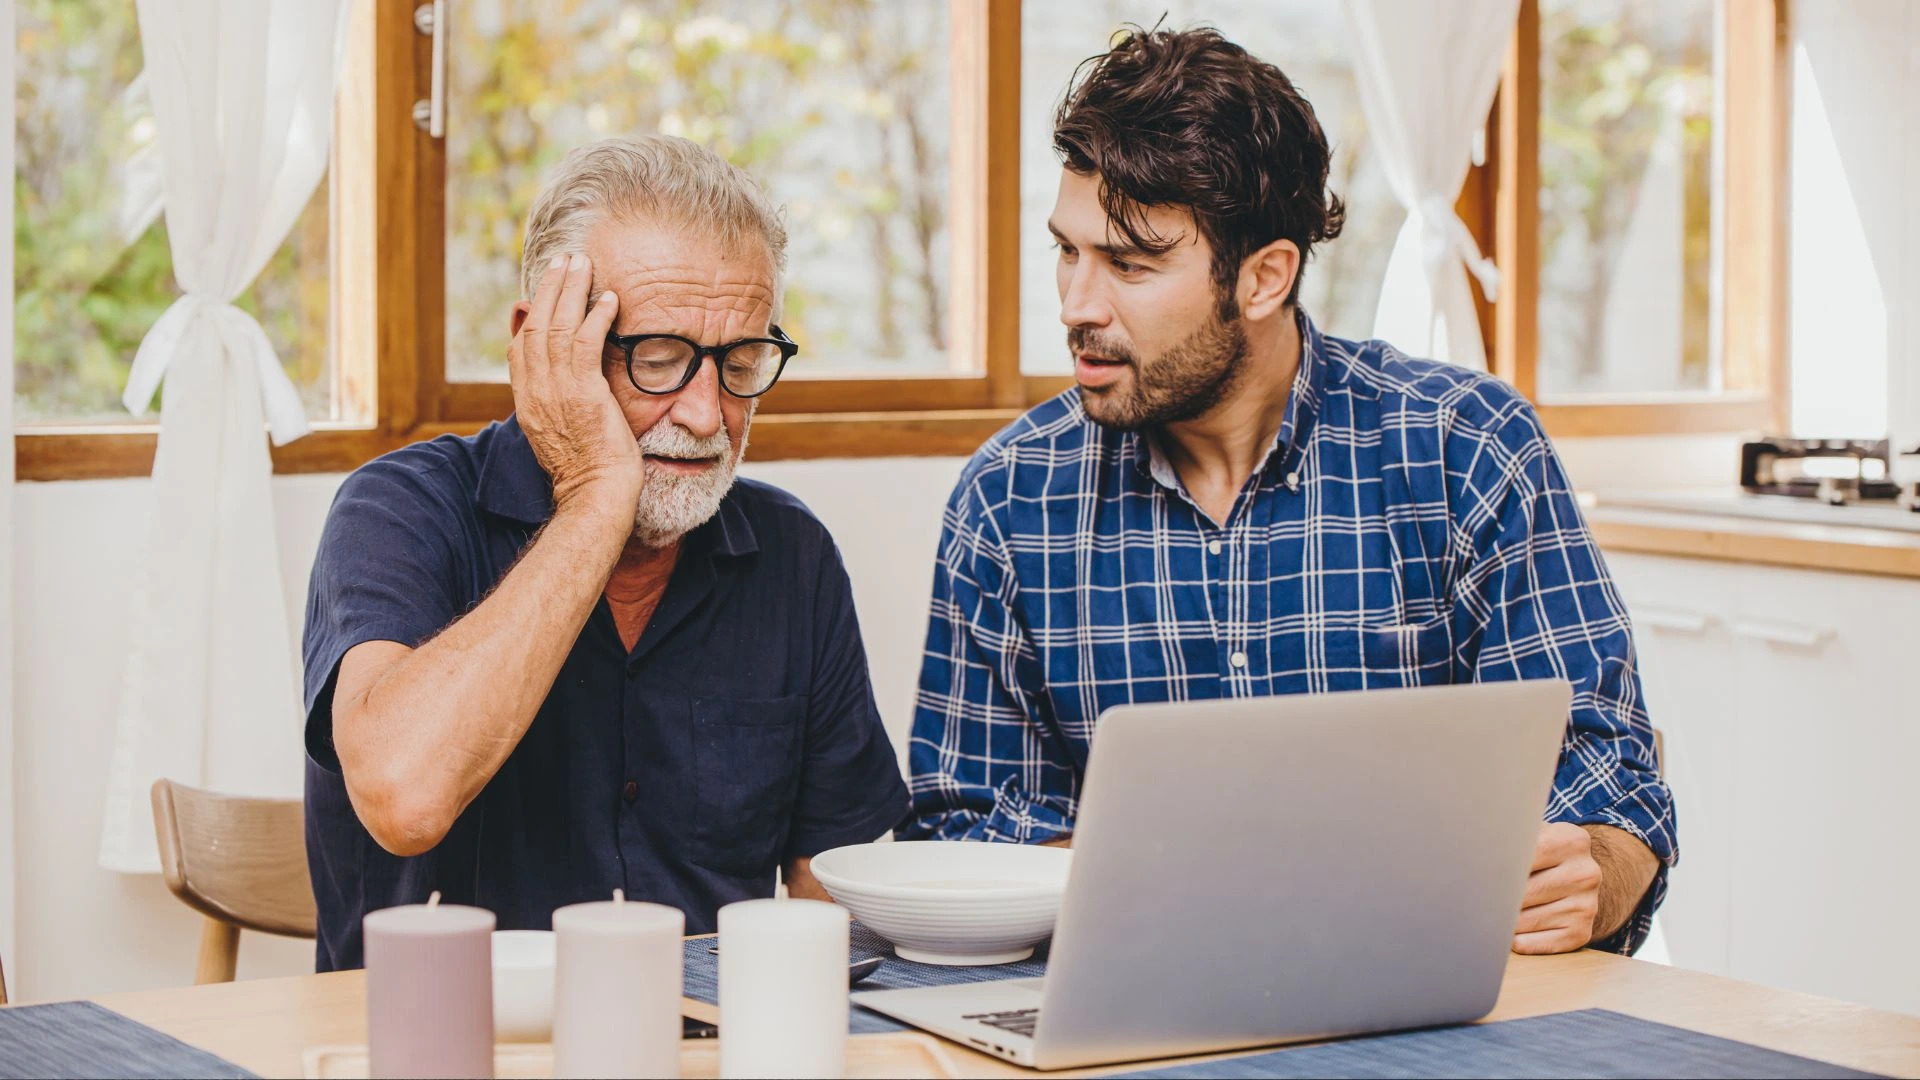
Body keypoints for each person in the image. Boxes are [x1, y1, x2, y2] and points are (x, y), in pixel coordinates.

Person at [900, 27, 1673, 955]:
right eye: (1068, 251)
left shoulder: (1468, 450)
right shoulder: (1009, 499)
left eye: (1130, 263)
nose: (1076, 304)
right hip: (1136, 1001)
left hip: (1436, 1003)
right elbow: (963, 826)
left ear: (1266, 276)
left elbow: (1611, 778)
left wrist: (1594, 874)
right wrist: (1215, 892)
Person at [302, 135, 906, 971]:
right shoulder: (399, 509)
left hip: (700, 1034)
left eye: (740, 363)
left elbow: (831, 899)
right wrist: (594, 496)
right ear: (541, 343)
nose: (706, 414)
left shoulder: (792, 556)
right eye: (658, 361)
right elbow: (405, 799)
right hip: (445, 1027)